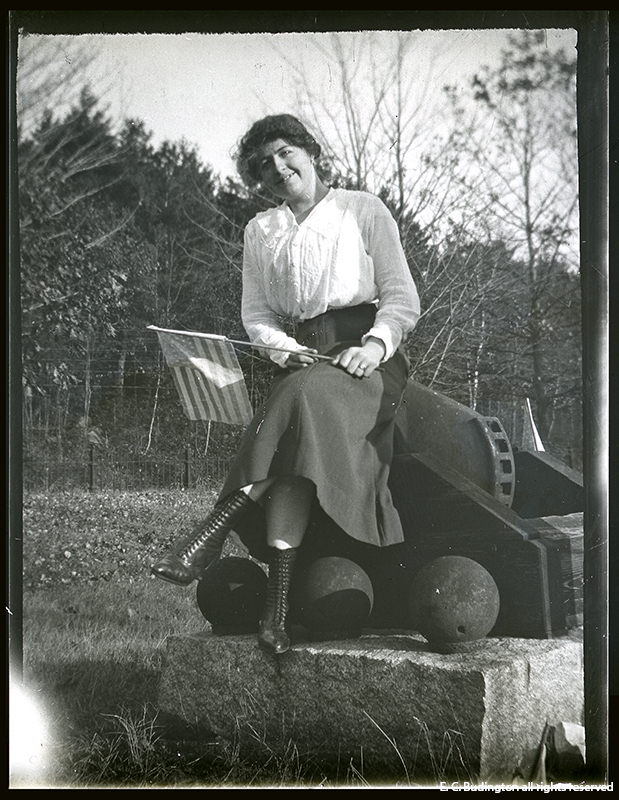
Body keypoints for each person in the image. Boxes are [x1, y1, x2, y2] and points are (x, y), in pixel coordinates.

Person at [151, 114, 420, 655]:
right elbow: (257, 313)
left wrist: (373, 346)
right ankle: (274, 615)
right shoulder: (261, 230)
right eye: (263, 166)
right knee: (291, 466)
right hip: (301, 365)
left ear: (309, 151)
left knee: (298, 402)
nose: (277, 169)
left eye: (284, 153)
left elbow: (401, 297)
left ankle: (209, 532)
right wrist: (287, 351)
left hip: (366, 366)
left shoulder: (362, 209)